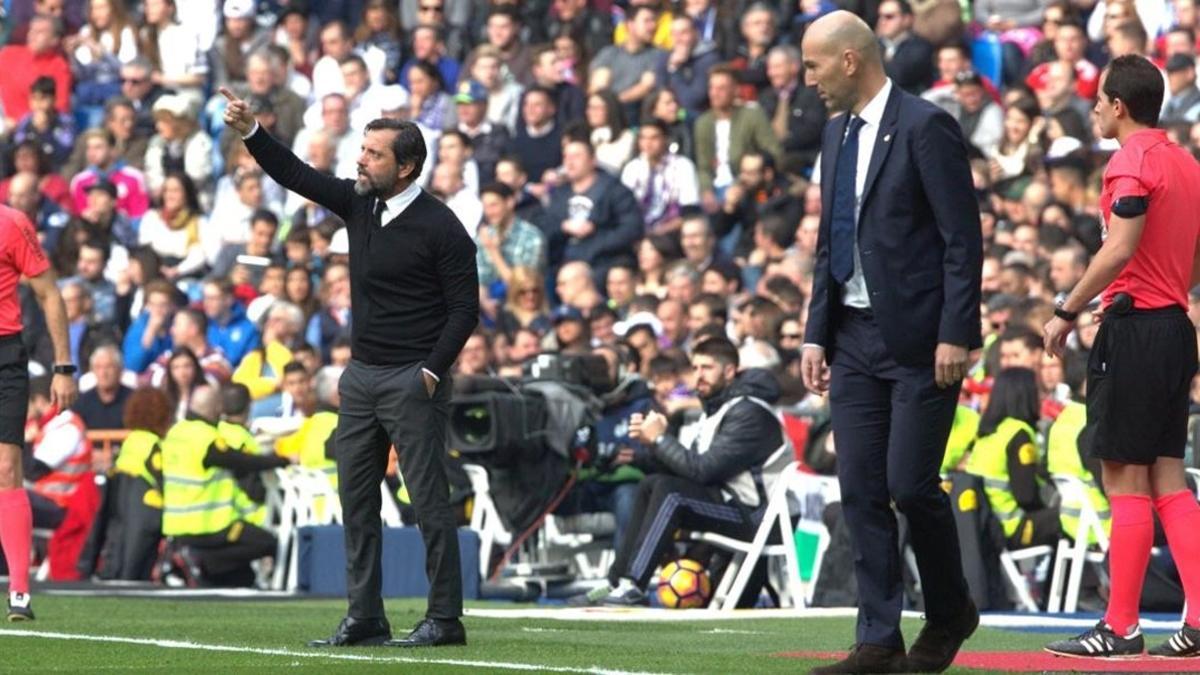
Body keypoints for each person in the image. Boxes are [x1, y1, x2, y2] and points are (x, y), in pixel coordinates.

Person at [223, 87, 478, 647]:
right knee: (355, 498)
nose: (360, 160)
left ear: (406, 166)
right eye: (361, 149)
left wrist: (432, 372)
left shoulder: (442, 226)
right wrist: (251, 131)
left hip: (414, 378)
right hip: (360, 378)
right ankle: (365, 615)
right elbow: (295, 173)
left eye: (373, 153)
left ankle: (445, 618)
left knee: (428, 499)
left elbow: (466, 309)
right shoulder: (361, 203)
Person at [799, 12, 982, 674]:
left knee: (910, 484)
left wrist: (956, 331)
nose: (807, 79)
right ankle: (877, 637)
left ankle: (950, 610)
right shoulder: (833, 132)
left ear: (850, 60)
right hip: (849, 338)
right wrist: (815, 332)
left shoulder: (926, 126)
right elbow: (832, 239)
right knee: (859, 488)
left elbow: (963, 240)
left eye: (814, 65)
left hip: (919, 340)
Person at [1043, 55, 1200, 660]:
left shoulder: (1130, 160)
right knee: (1167, 477)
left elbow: (1120, 246)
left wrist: (1066, 308)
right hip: (1174, 327)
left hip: (1134, 328)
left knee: (1123, 480)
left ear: (1119, 106)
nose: (1095, 108)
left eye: (1100, 100)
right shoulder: (1185, 162)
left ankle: (1120, 626)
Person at [585, 337, 790, 606]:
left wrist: (660, 440)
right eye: (695, 368)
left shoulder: (749, 413)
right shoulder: (718, 410)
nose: (698, 376)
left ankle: (634, 584)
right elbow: (692, 467)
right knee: (652, 483)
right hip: (733, 504)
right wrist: (645, 451)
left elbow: (703, 471)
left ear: (729, 371)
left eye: (707, 368)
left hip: (759, 517)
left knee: (671, 493)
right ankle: (617, 579)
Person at [0, 204, 78, 621]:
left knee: (7, 470)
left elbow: (48, 293)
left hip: (4, 355)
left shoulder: (12, 223)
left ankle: (19, 592)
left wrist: (63, 366)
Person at [160, 385, 288, 587]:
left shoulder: (176, 432)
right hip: (209, 526)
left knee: (243, 577)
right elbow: (240, 460)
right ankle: (196, 558)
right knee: (269, 543)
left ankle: (195, 565)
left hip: (177, 527)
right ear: (215, 408)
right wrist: (279, 460)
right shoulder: (205, 437)